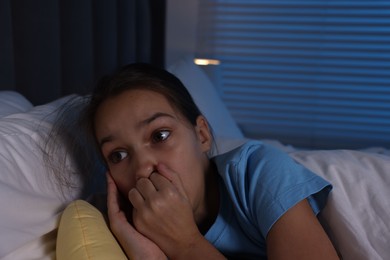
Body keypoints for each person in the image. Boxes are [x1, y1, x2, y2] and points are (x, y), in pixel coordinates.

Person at [82, 63, 339, 259]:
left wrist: (185, 245)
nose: (142, 167)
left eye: (160, 135)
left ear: (202, 135)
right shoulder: (125, 229)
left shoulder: (257, 172)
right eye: (118, 155)